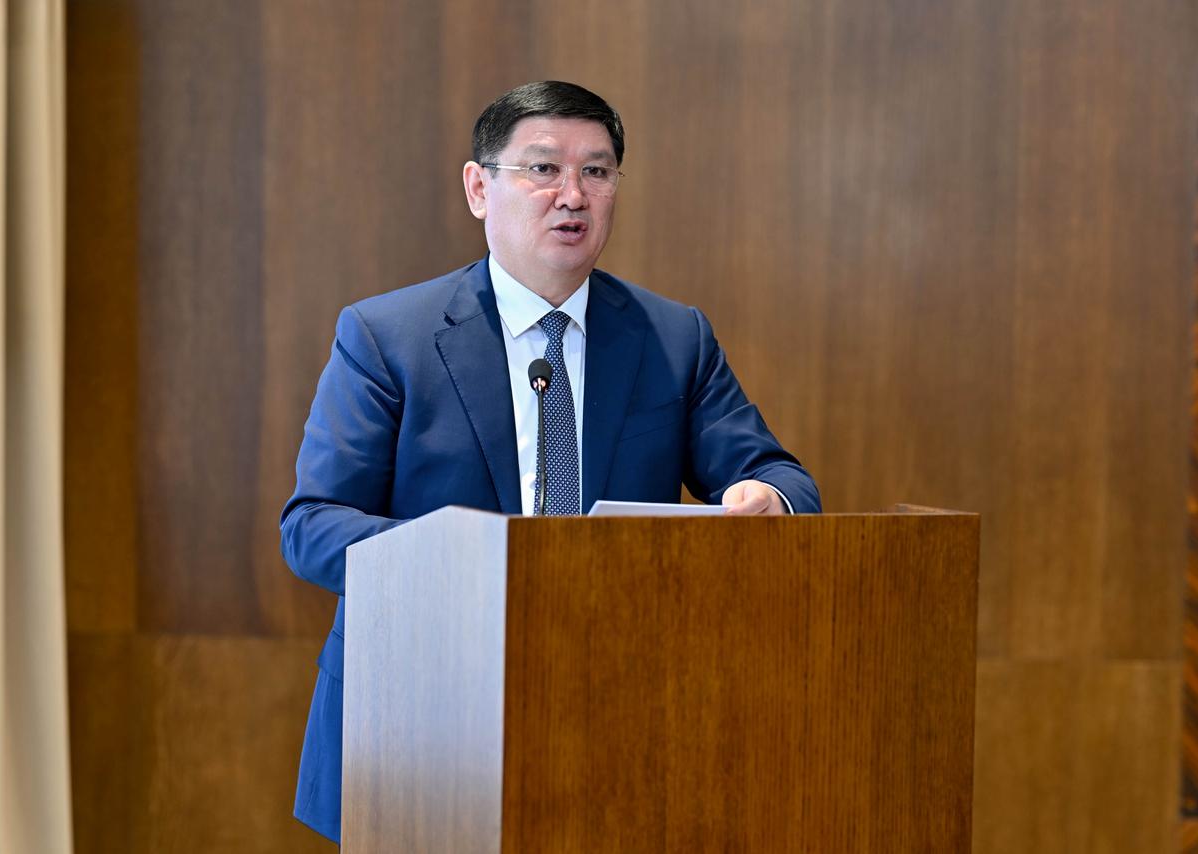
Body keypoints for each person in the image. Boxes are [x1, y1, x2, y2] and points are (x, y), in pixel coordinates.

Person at [280, 80, 821, 843]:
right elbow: (311, 525)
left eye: (596, 172)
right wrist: (469, 563)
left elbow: (783, 478)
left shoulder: (673, 338)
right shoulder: (387, 337)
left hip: (618, 717)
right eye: (542, 169)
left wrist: (766, 497)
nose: (572, 195)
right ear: (479, 188)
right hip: (420, 721)